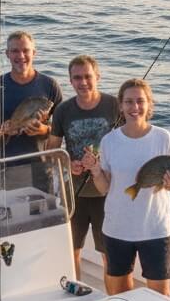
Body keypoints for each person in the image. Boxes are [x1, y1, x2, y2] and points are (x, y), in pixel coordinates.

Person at [83, 78, 170, 296]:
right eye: (129, 102)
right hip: (117, 228)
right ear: (121, 105)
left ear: (149, 104)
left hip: (155, 228)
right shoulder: (109, 141)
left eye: (140, 101)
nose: (134, 107)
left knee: (161, 296)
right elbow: (104, 188)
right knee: (119, 297)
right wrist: (96, 171)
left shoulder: (163, 138)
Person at [47, 55, 120, 278]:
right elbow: (51, 151)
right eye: (77, 78)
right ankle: (76, 293)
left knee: (109, 253)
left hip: (107, 191)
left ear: (97, 77)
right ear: (70, 81)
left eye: (88, 76)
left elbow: (128, 142)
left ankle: (112, 298)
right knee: (73, 249)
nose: (83, 82)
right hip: (74, 192)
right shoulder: (62, 111)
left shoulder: (114, 105)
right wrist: (68, 164)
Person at [0, 30, 63, 159]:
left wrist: (43, 130)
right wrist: (2, 129)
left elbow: (61, 129)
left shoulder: (50, 85)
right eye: (15, 51)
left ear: (34, 53)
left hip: (41, 166)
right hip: (6, 166)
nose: (21, 56)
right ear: (7, 54)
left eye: (26, 50)